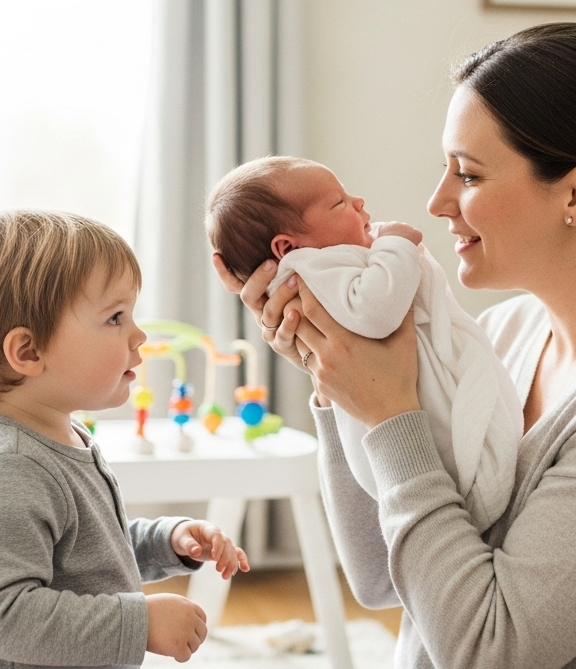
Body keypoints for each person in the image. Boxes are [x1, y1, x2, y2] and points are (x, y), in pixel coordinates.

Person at [213, 23, 576, 668]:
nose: (437, 202)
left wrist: (390, 415)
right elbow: (380, 578)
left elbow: (491, 650)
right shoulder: (504, 335)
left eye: (467, 174)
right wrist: (334, 378)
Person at [0, 210, 249, 669]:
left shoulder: (60, 435)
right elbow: (1, 616)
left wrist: (165, 541)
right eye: (115, 318)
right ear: (29, 352)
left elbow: (83, 557)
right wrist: (140, 623)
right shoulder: (7, 468)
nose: (139, 335)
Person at [205, 156, 521, 531]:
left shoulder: (324, 268)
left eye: (470, 174)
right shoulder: (316, 267)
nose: (358, 202)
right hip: (397, 461)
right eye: (338, 203)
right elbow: (376, 309)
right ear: (287, 248)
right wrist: (396, 244)